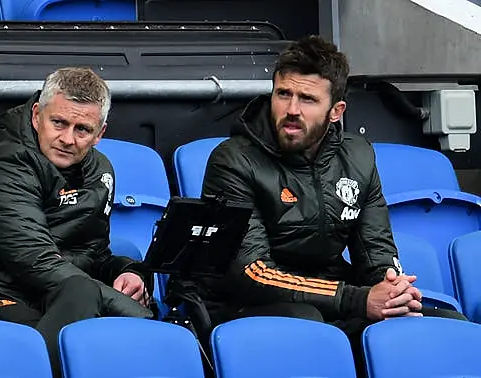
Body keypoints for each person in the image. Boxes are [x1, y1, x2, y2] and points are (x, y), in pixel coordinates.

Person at [179, 35, 466, 375]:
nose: (291, 110)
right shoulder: (232, 161)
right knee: (308, 323)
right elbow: (250, 273)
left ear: (336, 111)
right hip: (244, 303)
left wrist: (391, 291)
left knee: (444, 322)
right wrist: (358, 299)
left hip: (329, 296)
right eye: (283, 94)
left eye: (308, 99)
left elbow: (375, 249)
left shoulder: (358, 156)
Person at [0, 67, 153, 377]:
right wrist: (139, 316)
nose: (68, 139)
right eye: (59, 123)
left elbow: (92, 254)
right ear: (37, 115)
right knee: (98, 326)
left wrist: (129, 273)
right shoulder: (5, 163)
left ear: (100, 133)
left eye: (82, 129)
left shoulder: (100, 171)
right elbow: (37, 262)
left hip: (46, 297)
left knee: (107, 332)